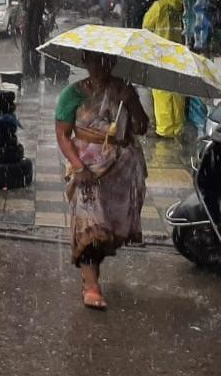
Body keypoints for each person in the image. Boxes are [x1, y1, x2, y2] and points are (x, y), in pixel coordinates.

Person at [54, 50, 149, 310]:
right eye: (93, 60)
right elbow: (63, 134)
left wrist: (131, 102)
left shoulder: (123, 91)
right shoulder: (72, 94)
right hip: (86, 167)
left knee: (109, 227)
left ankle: (95, 271)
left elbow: (141, 127)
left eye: (105, 61)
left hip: (120, 170)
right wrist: (78, 166)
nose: (99, 66)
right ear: (84, 61)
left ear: (113, 63)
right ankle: (91, 284)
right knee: (89, 225)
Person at [142, 0, 186, 138]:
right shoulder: (184, 6)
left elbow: (146, 26)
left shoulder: (160, 6)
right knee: (178, 92)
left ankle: (165, 129)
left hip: (161, 55)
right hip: (180, 56)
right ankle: (178, 128)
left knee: (162, 93)